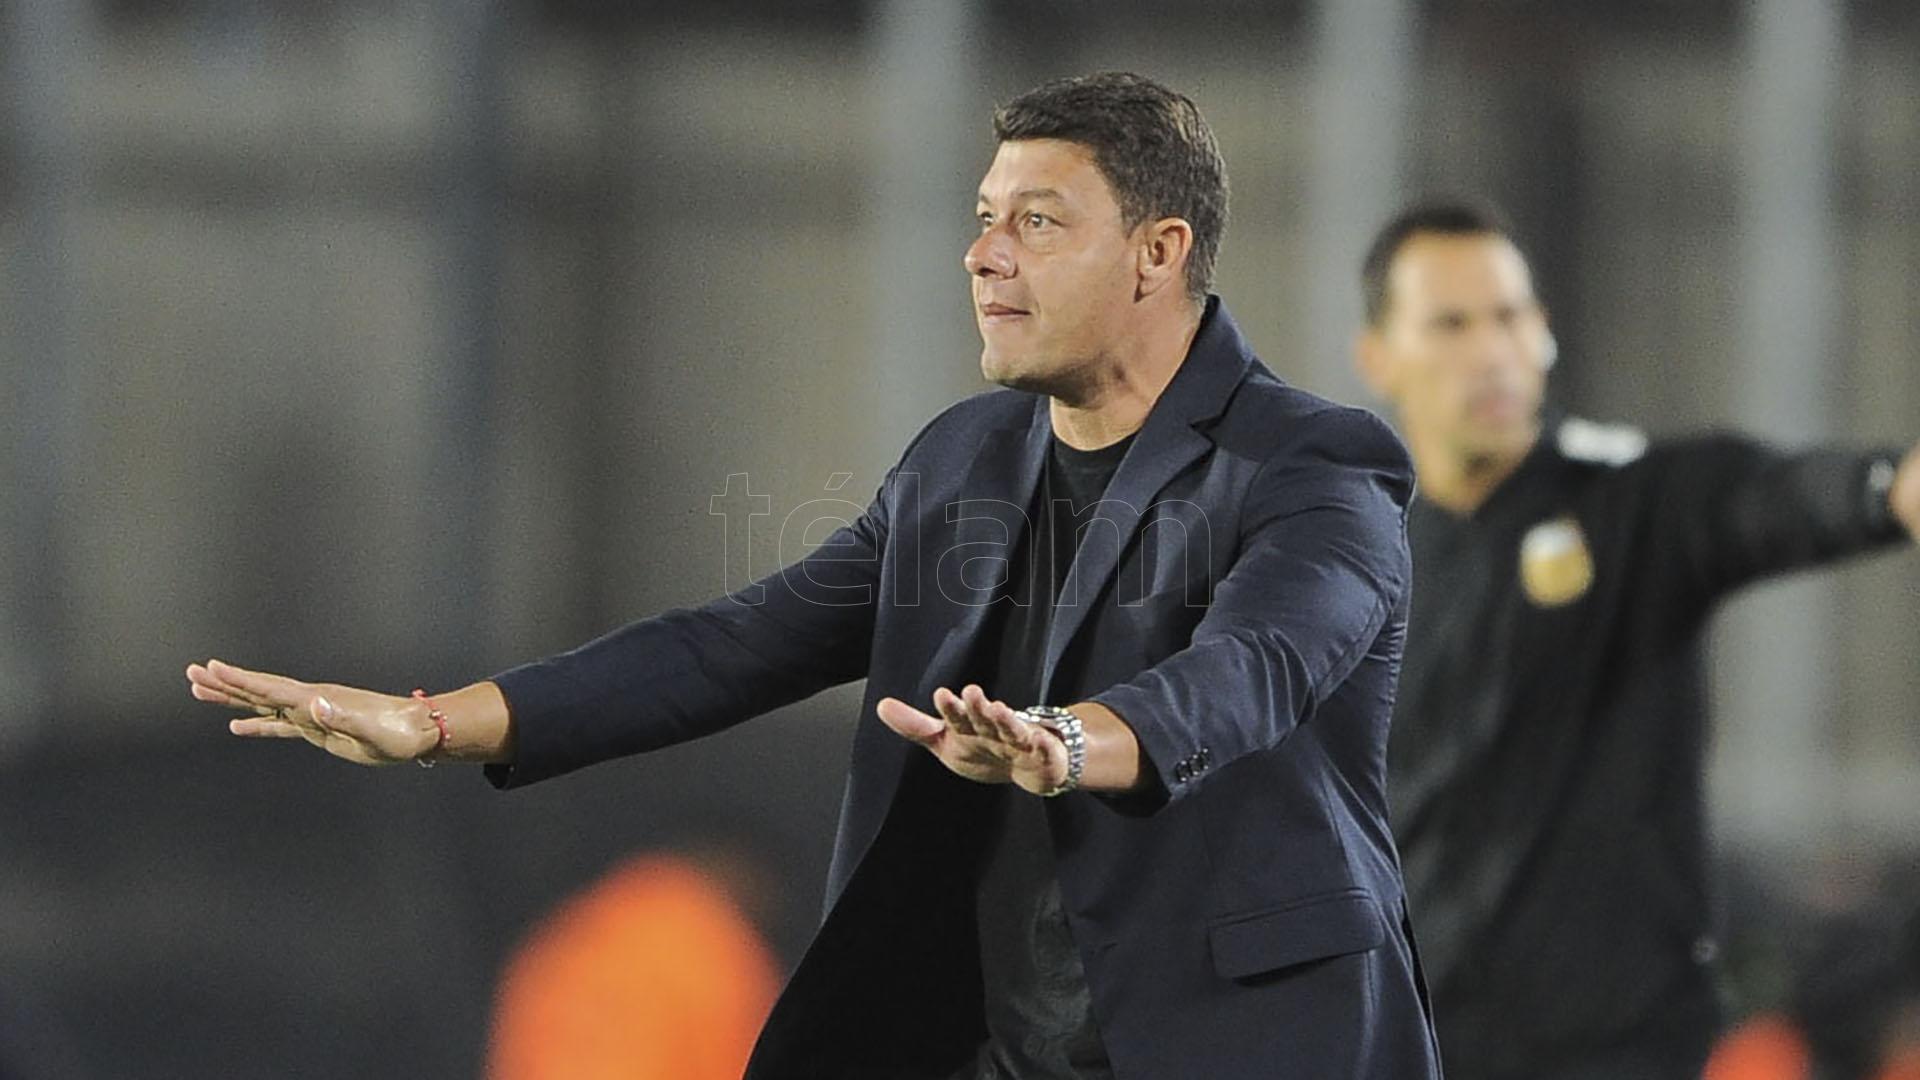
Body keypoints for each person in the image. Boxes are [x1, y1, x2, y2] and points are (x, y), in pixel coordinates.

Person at [190, 73, 1442, 1079]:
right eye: (983, 218)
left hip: (1244, 1042)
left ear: (1158, 252)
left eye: (1038, 221)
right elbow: (734, 644)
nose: (984, 255)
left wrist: (1070, 742)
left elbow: (1259, 664)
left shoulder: (1318, 461)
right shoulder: (964, 459)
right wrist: (433, 724)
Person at [1351, 200, 1920, 1080]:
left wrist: (1888, 488)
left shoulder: (1633, 505)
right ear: (1379, 356)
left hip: (1622, 1053)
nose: (1492, 350)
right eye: (1451, 324)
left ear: (1543, 332)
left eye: (1510, 317)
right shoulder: (1349, 561)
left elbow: (1771, 499)